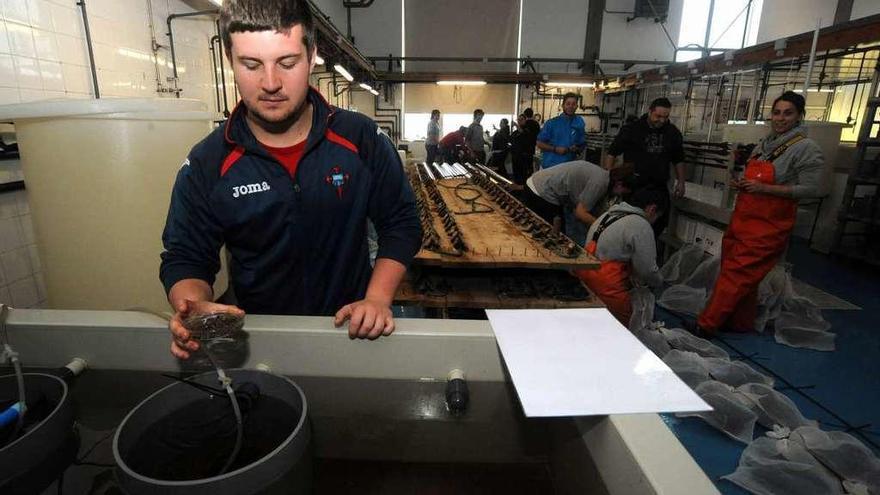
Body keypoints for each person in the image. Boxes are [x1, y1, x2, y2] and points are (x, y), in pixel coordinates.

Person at [160, 0, 422, 359]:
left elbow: (401, 222)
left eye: (287, 62)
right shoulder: (208, 163)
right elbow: (186, 256)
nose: (271, 83)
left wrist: (376, 299)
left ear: (312, 55)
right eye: (251, 65)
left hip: (352, 333)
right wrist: (195, 307)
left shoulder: (359, 138)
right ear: (229, 59)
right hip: (261, 342)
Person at [696, 91, 823, 335]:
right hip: (743, 219)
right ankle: (740, 323)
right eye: (776, 112)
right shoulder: (765, 144)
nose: (780, 118)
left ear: (799, 116)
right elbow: (753, 176)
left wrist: (764, 188)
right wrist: (742, 183)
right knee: (740, 275)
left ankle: (706, 324)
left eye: (788, 113)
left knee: (736, 275)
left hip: (768, 226)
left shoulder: (805, 148)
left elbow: (812, 189)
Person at [574, 186, 668, 325]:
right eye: (657, 217)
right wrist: (660, 283)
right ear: (652, 209)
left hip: (583, 281)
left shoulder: (607, 215)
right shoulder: (641, 224)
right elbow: (647, 270)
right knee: (622, 330)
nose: (654, 221)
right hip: (607, 290)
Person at [604, 97, 685, 237]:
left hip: (658, 187)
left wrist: (681, 182)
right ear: (650, 111)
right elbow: (612, 152)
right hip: (634, 186)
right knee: (630, 224)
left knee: (658, 224)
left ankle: (646, 252)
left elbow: (679, 159)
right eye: (658, 116)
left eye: (665, 117)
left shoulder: (672, 133)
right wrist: (609, 178)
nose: (661, 120)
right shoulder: (632, 129)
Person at [513, 160, 633, 232]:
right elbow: (580, 213)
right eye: (623, 191)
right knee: (555, 236)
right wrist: (603, 226)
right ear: (619, 184)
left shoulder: (603, 176)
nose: (620, 195)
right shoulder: (600, 183)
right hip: (542, 192)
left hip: (536, 184)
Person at [536, 93, 586, 169]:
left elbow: (581, 143)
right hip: (551, 166)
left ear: (577, 106)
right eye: (568, 104)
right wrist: (555, 149)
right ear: (563, 106)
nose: (570, 106)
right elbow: (539, 143)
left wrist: (577, 148)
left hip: (569, 167)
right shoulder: (551, 123)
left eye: (573, 104)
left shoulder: (579, 122)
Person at [510, 108, 541, 185]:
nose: (519, 121)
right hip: (516, 156)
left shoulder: (530, 126)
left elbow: (527, 136)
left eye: (521, 119)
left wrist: (517, 126)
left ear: (525, 119)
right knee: (517, 175)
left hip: (526, 156)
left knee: (525, 176)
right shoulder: (516, 132)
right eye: (518, 120)